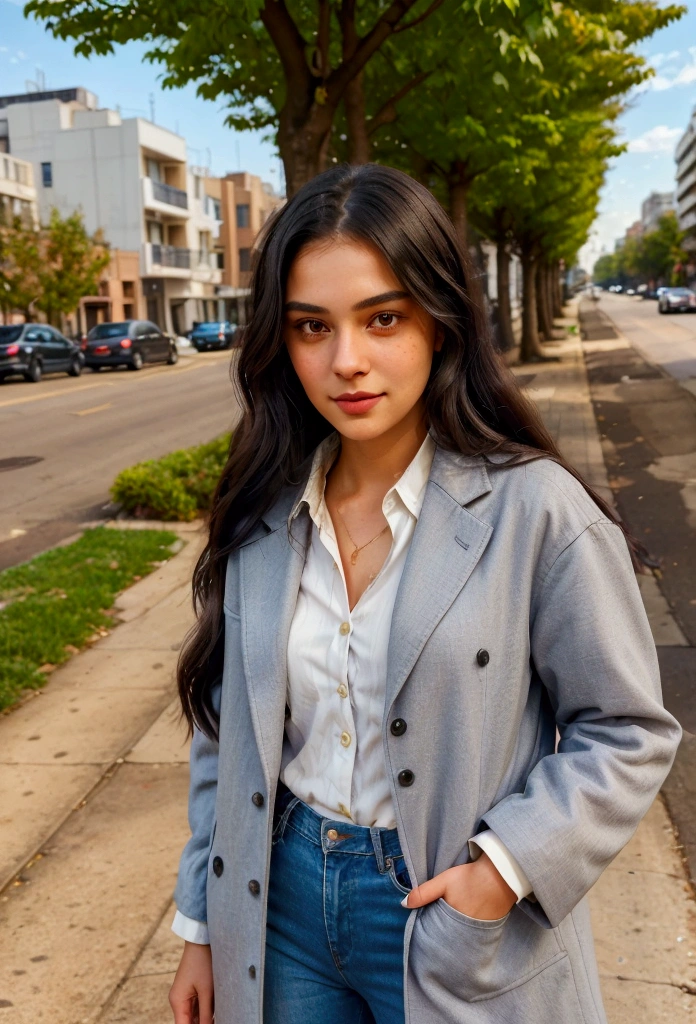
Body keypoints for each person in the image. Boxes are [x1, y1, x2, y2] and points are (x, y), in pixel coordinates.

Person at [168, 163, 681, 1024]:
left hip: (443, 906)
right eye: (310, 327)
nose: (347, 361)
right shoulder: (262, 515)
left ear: (440, 323)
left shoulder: (535, 509)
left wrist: (502, 871)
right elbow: (228, 733)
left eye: (383, 318)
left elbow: (627, 730)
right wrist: (201, 923)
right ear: (280, 341)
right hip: (279, 902)